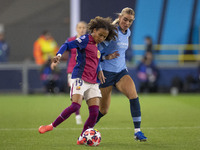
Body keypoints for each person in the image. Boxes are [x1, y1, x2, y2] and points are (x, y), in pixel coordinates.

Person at [38, 16, 118, 145]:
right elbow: (67, 45)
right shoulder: (84, 40)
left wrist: (100, 70)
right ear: (94, 30)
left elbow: (96, 60)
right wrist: (58, 55)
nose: (102, 38)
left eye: (104, 37)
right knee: (75, 105)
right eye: (100, 35)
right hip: (80, 77)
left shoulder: (98, 45)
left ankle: (82, 138)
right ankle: (51, 126)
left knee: (94, 112)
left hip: (93, 81)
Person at [96, 7, 147, 141]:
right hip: (106, 74)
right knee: (103, 110)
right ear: (119, 17)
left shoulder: (128, 32)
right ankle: (86, 130)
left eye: (130, 21)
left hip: (121, 72)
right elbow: (95, 52)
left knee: (133, 96)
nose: (127, 23)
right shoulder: (111, 32)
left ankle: (137, 131)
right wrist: (106, 59)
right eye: (125, 19)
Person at [63, 21, 87, 125]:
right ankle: (77, 115)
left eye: (84, 28)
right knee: (76, 95)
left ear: (86, 29)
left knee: (84, 95)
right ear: (76, 29)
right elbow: (64, 51)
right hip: (72, 71)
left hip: (85, 71)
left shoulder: (88, 41)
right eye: (80, 27)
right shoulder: (70, 40)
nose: (82, 29)